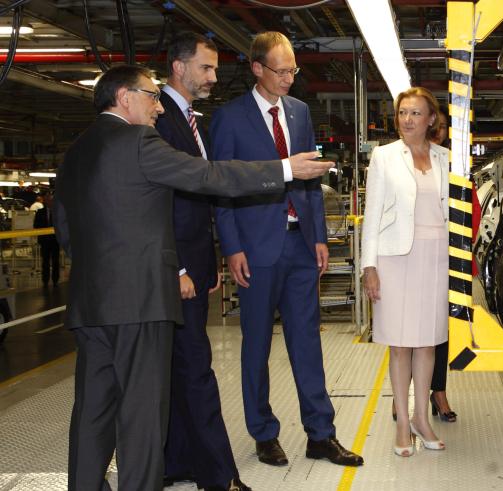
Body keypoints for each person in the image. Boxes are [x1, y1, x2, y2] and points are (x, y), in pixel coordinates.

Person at [54, 64, 331, 491]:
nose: (158, 109)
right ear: (124, 97)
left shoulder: (76, 150)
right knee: (142, 417)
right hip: (142, 304)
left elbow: (65, 229)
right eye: (150, 96)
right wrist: (284, 169)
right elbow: (208, 175)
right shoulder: (139, 141)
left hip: (91, 306)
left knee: (91, 412)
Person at [210, 31, 363, 468]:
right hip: (255, 249)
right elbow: (222, 190)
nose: (290, 79)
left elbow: (310, 178)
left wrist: (318, 236)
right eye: (282, 71)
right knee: (256, 344)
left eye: (294, 70)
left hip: (299, 245)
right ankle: (263, 432)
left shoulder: (298, 114)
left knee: (306, 342)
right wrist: (232, 247)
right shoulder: (229, 119)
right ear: (257, 68)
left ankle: (321, 433)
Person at [154, 33, 248, 491]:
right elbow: (158, 203)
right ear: (179, 67)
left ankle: (176, 462)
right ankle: (218, 477)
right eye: (206, 68)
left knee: (177, 367)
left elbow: (199, 202)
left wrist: (204, 262)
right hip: (175, 269)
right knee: (196, 370)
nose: (213, 77)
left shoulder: (190, 121)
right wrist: (178, 268)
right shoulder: (158, 119)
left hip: (192, 265)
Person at [362, 86, 449, 457]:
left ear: (431, 119)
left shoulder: (447, 157)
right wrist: (369, 266)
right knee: (400, 344)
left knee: (428, 342)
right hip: (395, 257)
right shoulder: (383, 157)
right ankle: (401, 421)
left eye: (415, 113)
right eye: (402, 113)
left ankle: (420, 417)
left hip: (436, 257)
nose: (408, 120)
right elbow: (373, 214)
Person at [427, 111, 456, 423]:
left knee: (440, 331)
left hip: (445, 258)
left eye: (443, 127)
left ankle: (438, 392)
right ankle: (402, 394)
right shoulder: (405, 159)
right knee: (407, 332)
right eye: (435, 126)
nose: (439, 131)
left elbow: (466, 209)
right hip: (412, 256)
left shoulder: (452, 163)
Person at [33, 192, 59, 288]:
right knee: (45, 261)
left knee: (56, 261)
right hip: (44, 241)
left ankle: (55, 280)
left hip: (55, 240)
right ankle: (45, 280)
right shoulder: (40, 212)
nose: (49, 202)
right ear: (45, 201)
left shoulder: (57, 212)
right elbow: (36, 226)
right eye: (48, 200)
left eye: (51, 200)